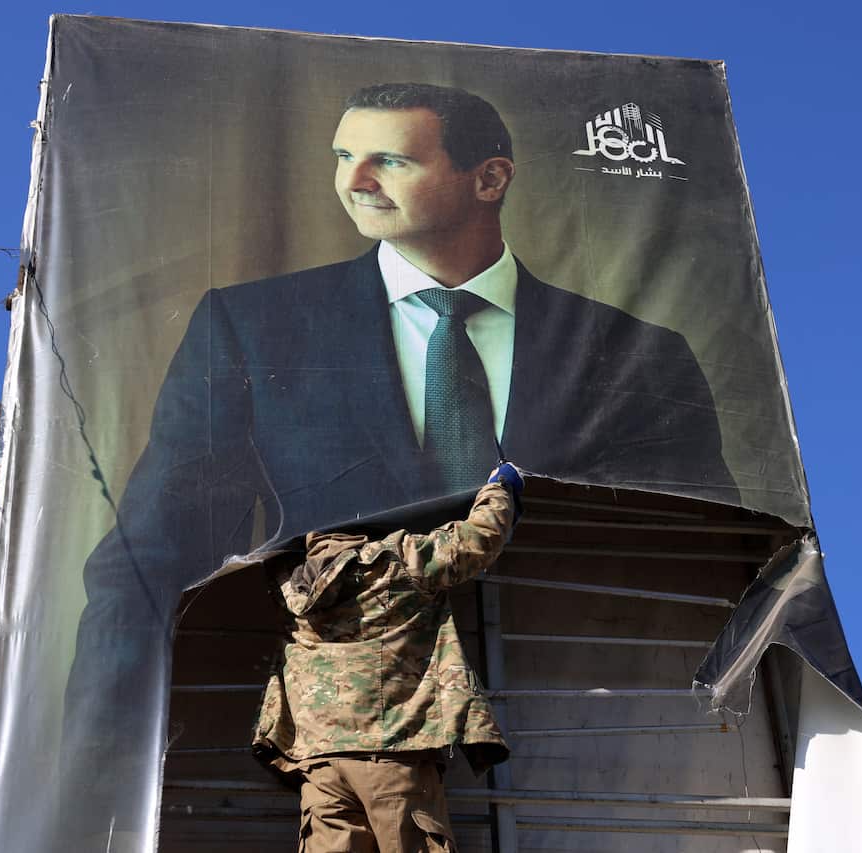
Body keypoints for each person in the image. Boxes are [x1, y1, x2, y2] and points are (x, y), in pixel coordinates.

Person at [62, 82, 737, 841]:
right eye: (344, 156)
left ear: (490, 179)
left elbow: (712, 578)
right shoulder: (253, 331)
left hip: (597, 786)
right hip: (334, 763)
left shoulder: (641, 359)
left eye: (387, 159)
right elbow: (142, 569)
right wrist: (93, 788)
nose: (352, 181)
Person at [253, 464, 523, 852]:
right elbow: (479, 538)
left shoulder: (289, 577)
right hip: (393, 754)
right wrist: (503, 486)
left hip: (320, 761)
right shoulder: (400, 560)